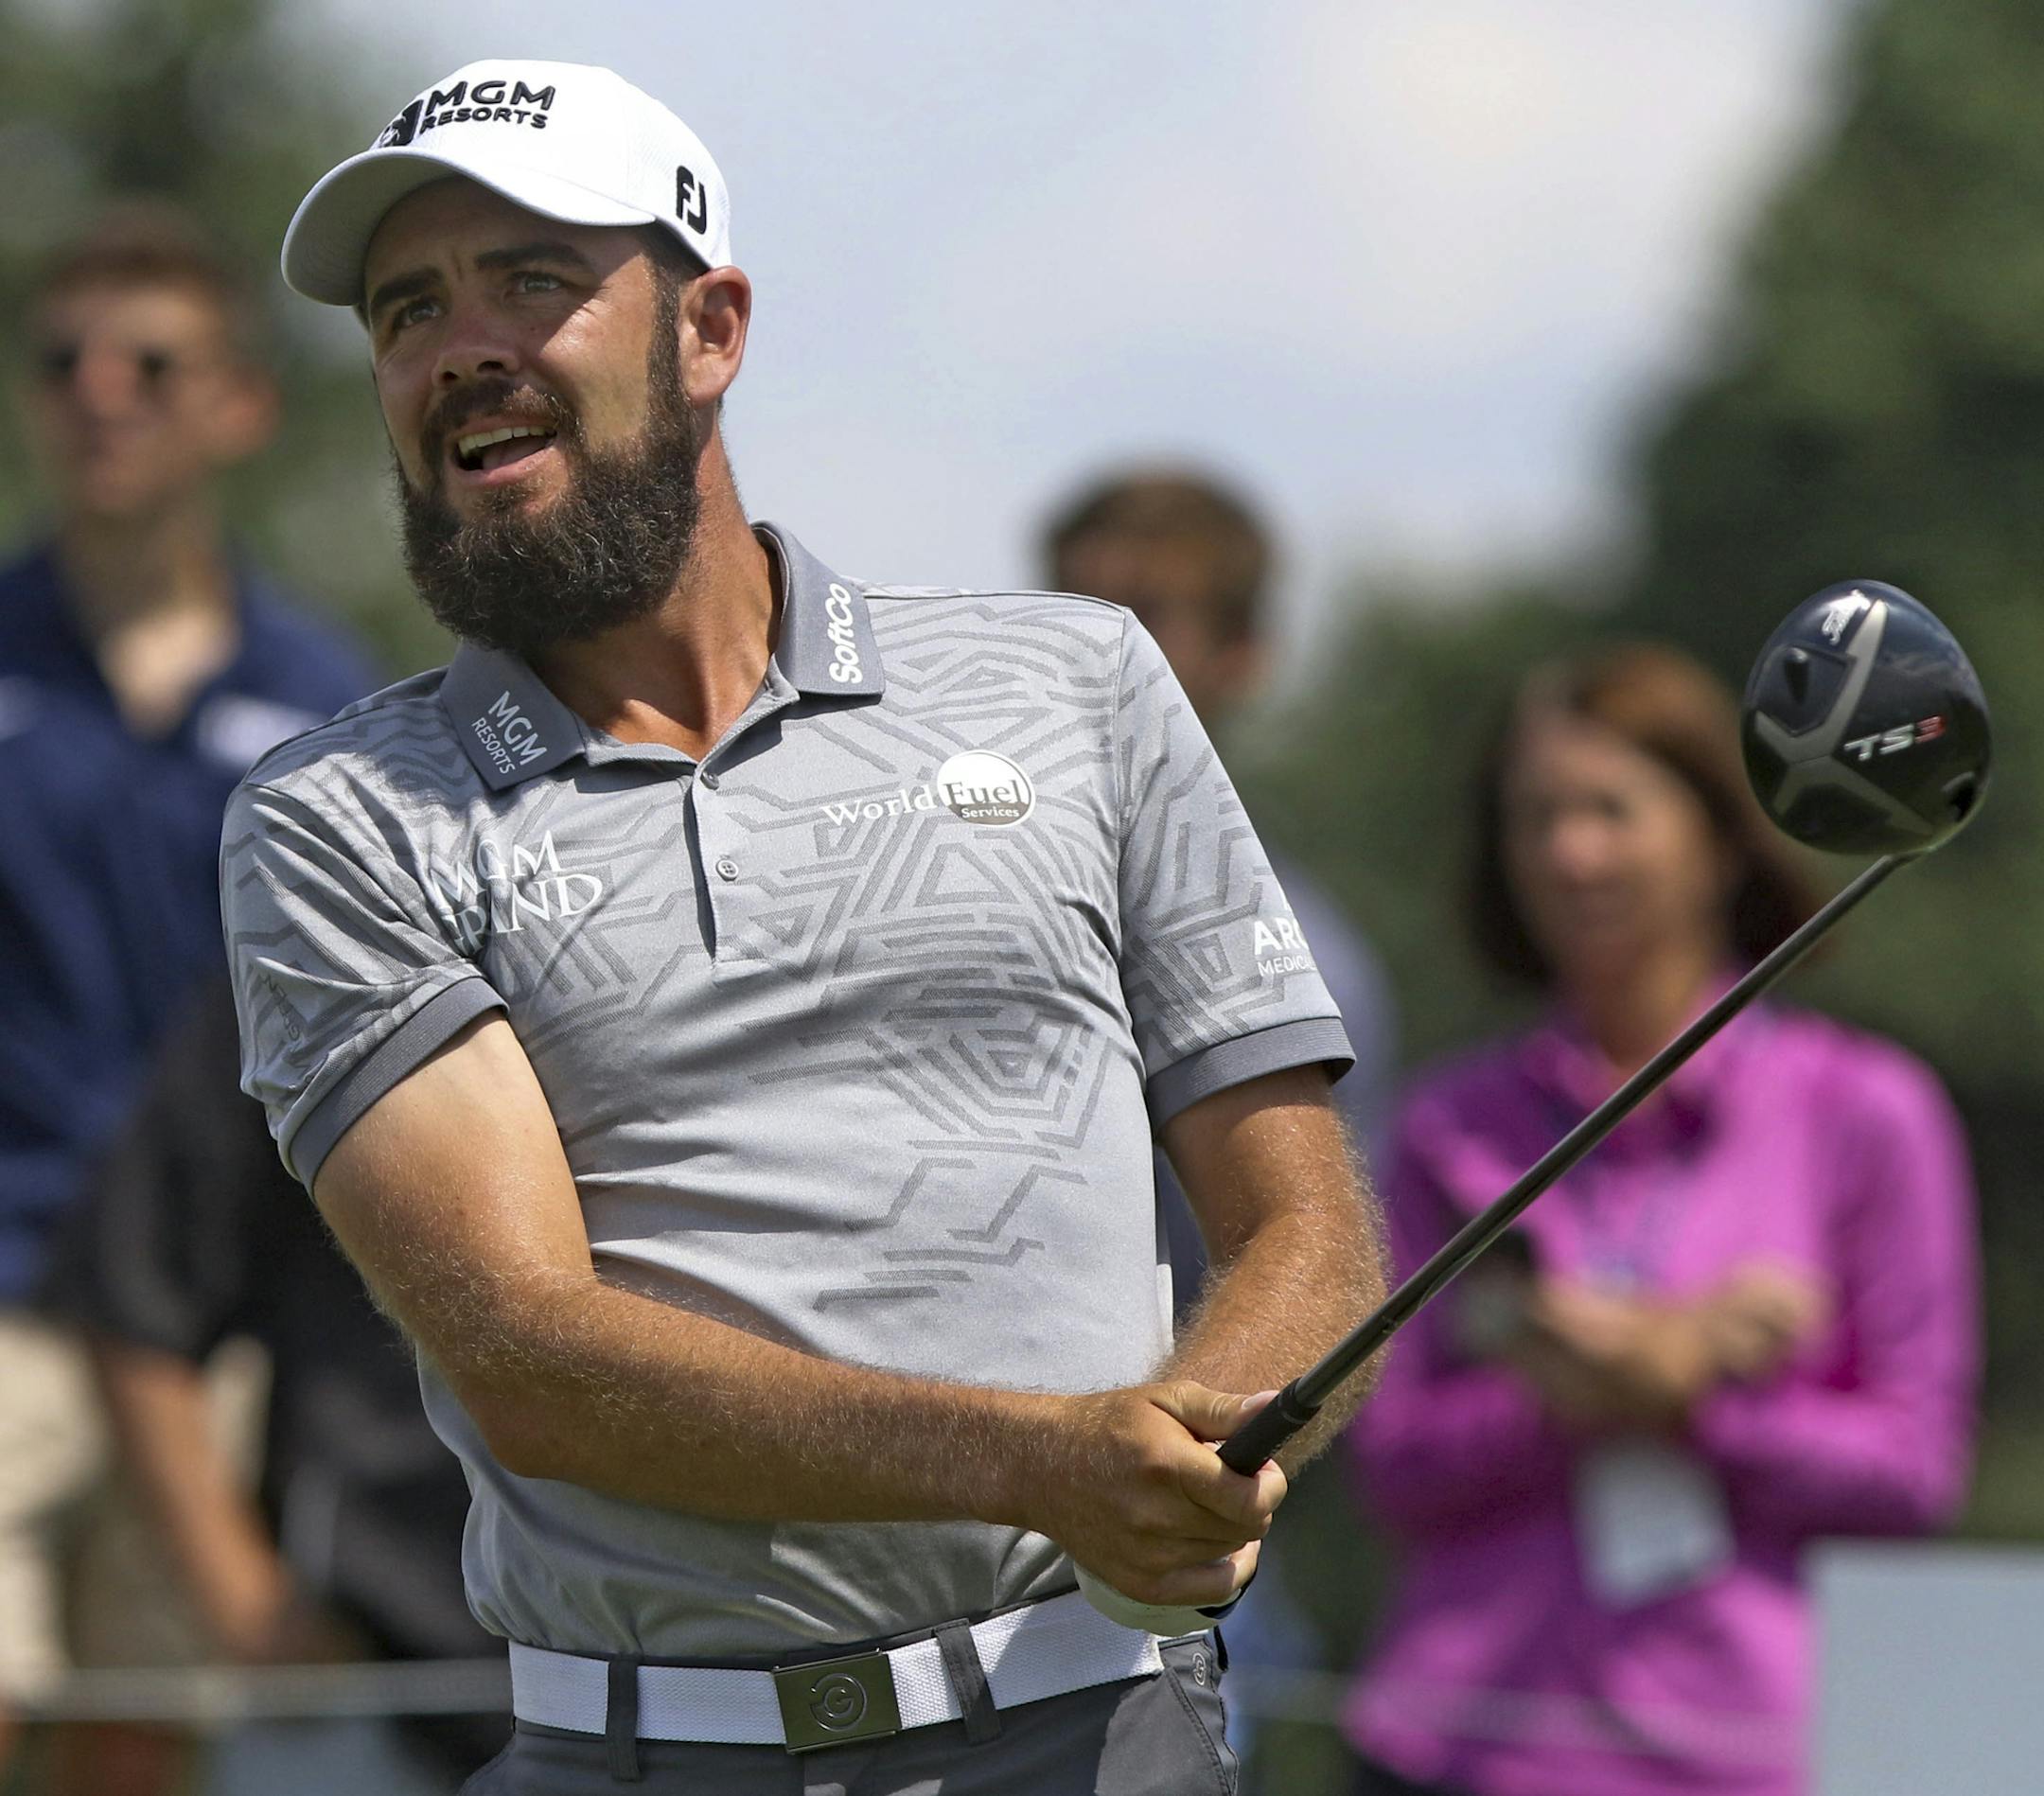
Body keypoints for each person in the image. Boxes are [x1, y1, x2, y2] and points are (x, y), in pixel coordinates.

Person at [220, 58, 1386, 1795]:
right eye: (408, 309)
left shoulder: (1079, 681)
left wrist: (1202, 1443)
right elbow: (532, 1357)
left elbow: (1308, 1226)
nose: (459, 344)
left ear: (711, 330)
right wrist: (1055, 1464)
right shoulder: (337, 816)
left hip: (1104, 1736)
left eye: (534, 280)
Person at [1341, 644, 1981, 1796]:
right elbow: (1391, 1461)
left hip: (1776, 1751)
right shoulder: (1451, 1123)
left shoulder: (1867, 1110)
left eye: (1610, 809)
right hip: (1464, 1744)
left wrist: (1693, 1399)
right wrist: (1584, 1383)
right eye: (1535, 816)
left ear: (1720, 838)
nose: (1568, 851)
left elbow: (1914, 1469)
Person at [0, 205, 375, 1782]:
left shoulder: (328, 699)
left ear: (238, 404)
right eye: (61, 359)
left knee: (142, 1751)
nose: (101, 389)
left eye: (150, 361)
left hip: (212, 1333)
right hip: (4, 1296)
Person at [1043, 468, 1398, 1740]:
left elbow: (1325, 1300)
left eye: (1139, 620)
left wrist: (1164, 1490)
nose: (1091, 659)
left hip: (1193, 1589)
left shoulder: (1320, 961)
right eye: (1064, 613)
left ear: (1244, 655)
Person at [44, 978, 504, 1794]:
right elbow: (134, 1292)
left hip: (680, 1679)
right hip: (368, 1678)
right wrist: (245, 1601)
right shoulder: (317, 964)